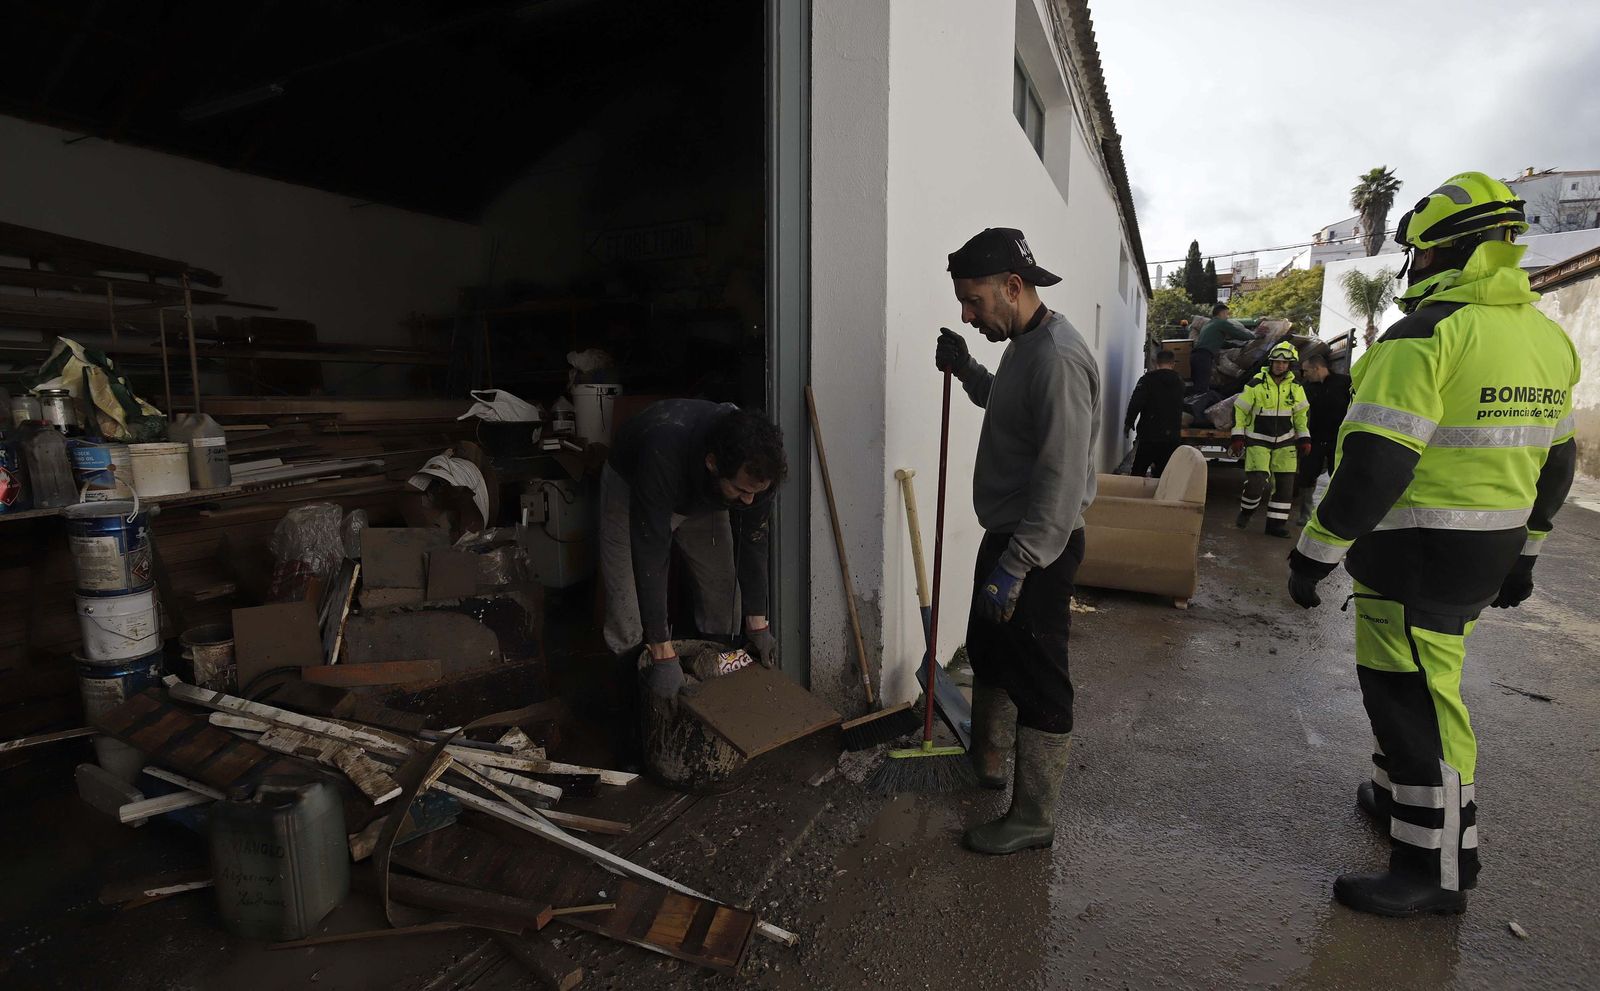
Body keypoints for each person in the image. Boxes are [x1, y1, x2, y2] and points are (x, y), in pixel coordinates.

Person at [1288, 171, 1580, 917]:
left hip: (1415, 554)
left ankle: (1436, 868)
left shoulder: (1424, 335)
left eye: (1414, 256)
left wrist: (1313, 553)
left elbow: (1375, 464)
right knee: (1407, 686)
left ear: (1442, 253)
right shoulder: (1545, 338)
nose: (1410, 271)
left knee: (1415, 697)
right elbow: (1557, 463)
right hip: (1484, 552)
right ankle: (1396, 801)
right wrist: (1528, 552)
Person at [933, 227, 1099, 855]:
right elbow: (1005, 407)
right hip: (1008, 536)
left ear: (1013, 286)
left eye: (975, 302)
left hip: (1039, 546)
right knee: (990, 650)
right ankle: (989, 762)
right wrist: (968, 368)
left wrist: (1019, 565)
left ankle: (1034, 815)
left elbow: (1059, 480)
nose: (969, 315)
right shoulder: (1023, 342)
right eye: (961, 305)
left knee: (1039, 675)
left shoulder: (1057, 356)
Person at [600, 400, 786, 707]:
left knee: (723, 594)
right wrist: (661, 651)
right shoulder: (662, 450)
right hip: (634, 485)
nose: (750, 501)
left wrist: (758, 623)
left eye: (757, 492)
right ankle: (636, 713)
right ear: (713, 463)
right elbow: (651, 552)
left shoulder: (759, 466)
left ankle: (713, 692)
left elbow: (754, 539)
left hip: (704, 495)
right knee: (626, 608)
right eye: (742, 492)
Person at [1230, 341, 1310, 537]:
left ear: (1290, 365)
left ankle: (1275, 526)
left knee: (1285, 487)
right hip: (1258, 440)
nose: (1280, 366)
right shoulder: (1255, 384)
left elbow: (1301, 415)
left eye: (1284, 363)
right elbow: (1240, 409)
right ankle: (1246, 512)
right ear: (1271, 362)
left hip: (1286, 442)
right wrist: (1238, 435)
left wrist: (1304, 438)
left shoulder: (1297, 387)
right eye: (1277, 362)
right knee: (1256, 483)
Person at [1295, 351, 1351, 524]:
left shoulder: (1344, 383)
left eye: (1306, 371)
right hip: (1314, 439)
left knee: (1338, 476)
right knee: (1307, 475)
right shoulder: (1305, 388)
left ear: (1317, 368)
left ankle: (1335, 515)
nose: (1304, 375)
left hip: (1337, 439)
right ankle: (1305, 515)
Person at [1124, 349, 1186, 477]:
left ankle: (1136, 496)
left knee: (1138, 473)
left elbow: (1136, 402)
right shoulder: (1179, 382)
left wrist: (1129, 422)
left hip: (1149, 435)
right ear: (1173, 364)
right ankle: (1160, 497)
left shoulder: (1147, 380)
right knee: (1164, 477)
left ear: (1155, 363)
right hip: (1171, 437)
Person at [1190, 303, 1259, 394]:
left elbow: (1220, 343)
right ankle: (1200, 406)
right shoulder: (1221, 323)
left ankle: (1193, 404)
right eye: (1227, 314)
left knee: (1198, 385)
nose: (1227, 317)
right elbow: (1238, 333)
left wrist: (1236, 345)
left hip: (1195, 357)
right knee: (1202, 387)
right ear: (1221, 313)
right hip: (1204, 357)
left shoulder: (1209, 325)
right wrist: (1255, 335)